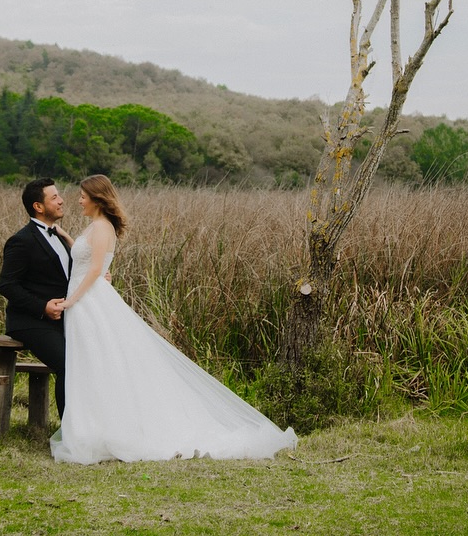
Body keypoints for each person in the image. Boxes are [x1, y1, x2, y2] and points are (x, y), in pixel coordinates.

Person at [50, 174, 298, 464]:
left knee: (99, 360)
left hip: (90, 302)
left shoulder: (103, 227)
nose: (78, 200)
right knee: (91, 362)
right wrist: (67, 237)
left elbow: (94, 271)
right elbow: (88, 260)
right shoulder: (94, 227)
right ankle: (91, 425)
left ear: (96, 198)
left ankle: (107, 429)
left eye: (82, 195)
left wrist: (71, 300)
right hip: (87, 303)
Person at [0, 177, 72, 418]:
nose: (61, 200)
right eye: (54, 197)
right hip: (30, 322)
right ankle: (70, 433)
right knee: (67, 364)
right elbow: (7, 285)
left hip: (62, 320)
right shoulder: (21, 241)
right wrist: (42, 307)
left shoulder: (59, 236)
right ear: (38, 207)